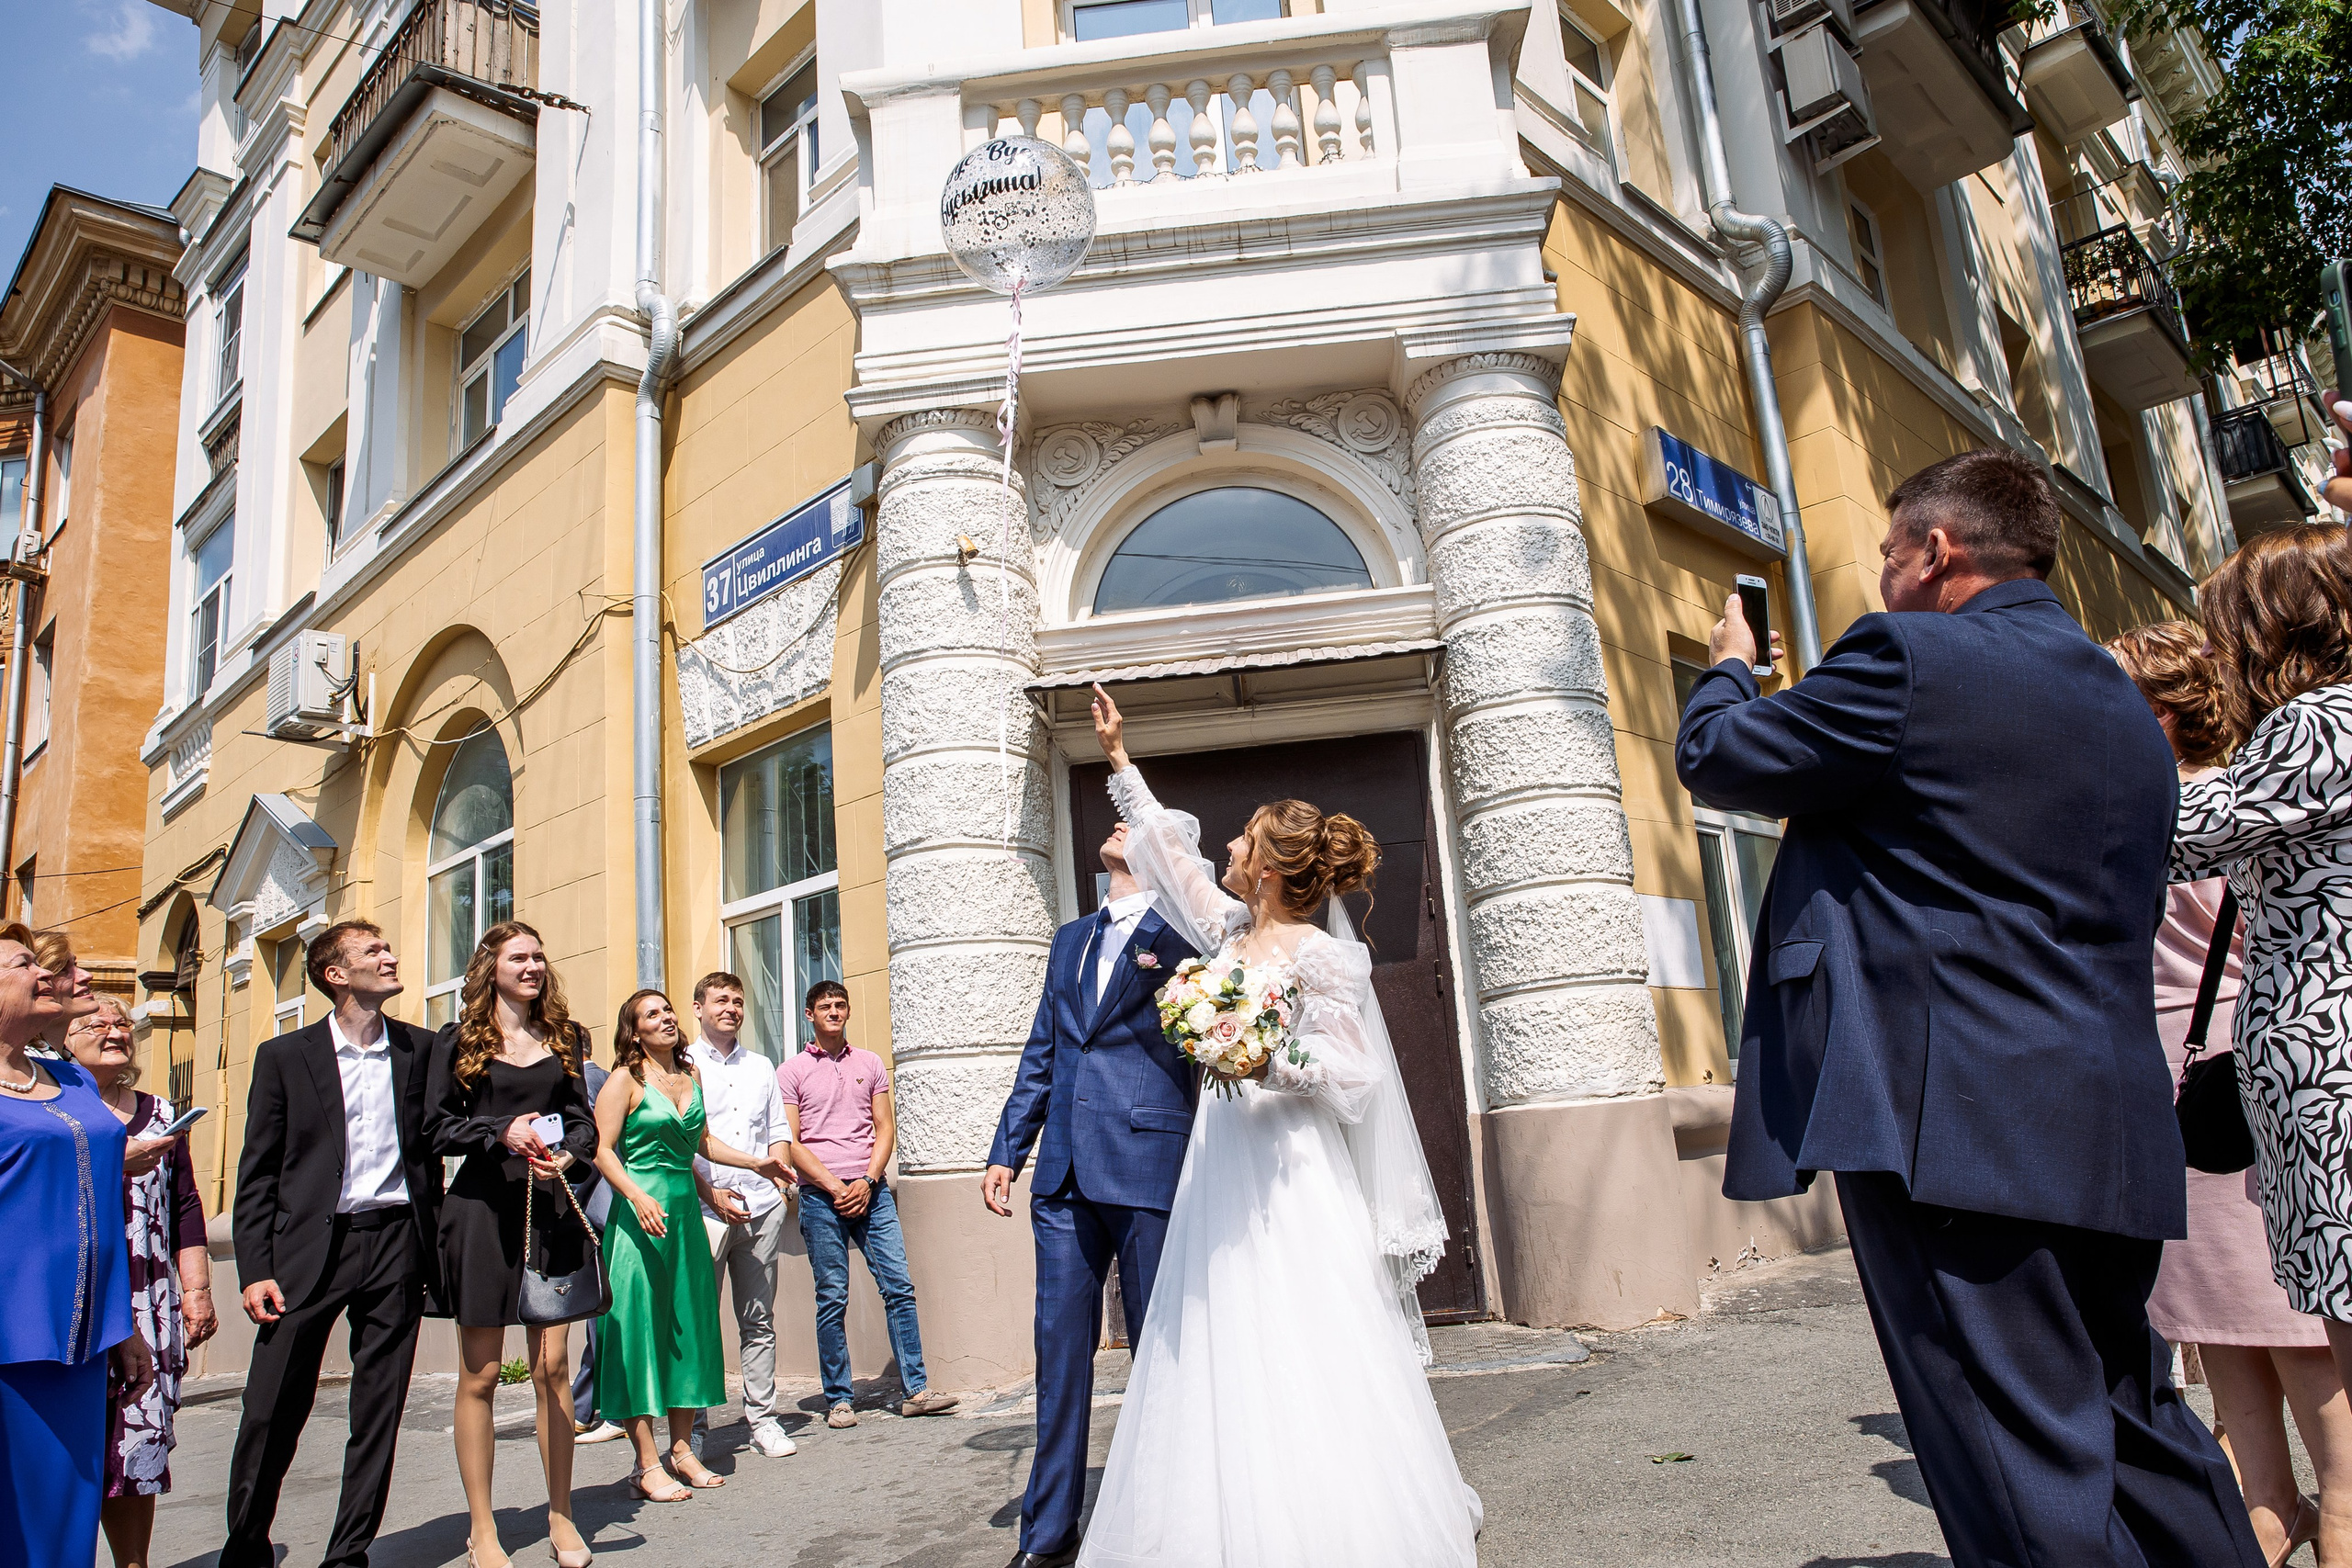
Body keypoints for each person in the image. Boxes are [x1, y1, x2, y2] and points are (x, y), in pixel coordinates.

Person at [1677, 447, 2262, 1568]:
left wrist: (1730, 667)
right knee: (2133, 1419)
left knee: (2009, 1452)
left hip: (1952, 1124)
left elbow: (1718, 757)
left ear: (1935, 552)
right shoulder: (2121, 701)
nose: (1882, 576)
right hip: (2106, 1114)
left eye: (1888, 553)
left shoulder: (1906, 655)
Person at [1076, 686, 1481, 1567]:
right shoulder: (1226, 932)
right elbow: (1170, 857)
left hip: (1291, 1167)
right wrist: (1118, 756)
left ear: (1265, 866)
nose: (1224, 846)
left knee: (1303, 1325)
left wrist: (1267, 1061)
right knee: (1219, 1324)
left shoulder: (1324, 956)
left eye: (1240, 838)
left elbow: (1355, 1074)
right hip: (1220, 1160)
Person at [2112, 620, 2352, 1566]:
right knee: (2211, 1313)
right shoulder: (2155, 803)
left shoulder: (2234, 801)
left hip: (2236, 1074)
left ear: (2161, 713)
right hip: (2168, 1073)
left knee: (2284, 1315)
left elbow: (2278, 940)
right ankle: (2267, 1504)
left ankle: (2341, 1508)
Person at [2172, 523, 2352, 1506]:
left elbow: (2173, 838)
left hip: (2329, 1068)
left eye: (2222, 626)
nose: (2212, 649)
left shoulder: (2315, 723)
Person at [983, 818, 1200, 1568]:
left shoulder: (1185, 934)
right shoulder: (1070, 938)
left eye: (1137, 822)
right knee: (1059, 1354)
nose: (1118, 822)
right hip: (1062, 1174)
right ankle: (1048, 1534)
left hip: (1146, 1161)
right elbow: (1043, 1048)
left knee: (1160, 1349)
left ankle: (1168, 1524)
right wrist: (1008, 1148)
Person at [223, 919, 447, 1568]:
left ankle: (348, 1553)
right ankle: (246, 1545)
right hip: (306, 1253)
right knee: (270, 1406)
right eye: (374, 950)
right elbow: (258, 1172)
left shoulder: (421, 1048)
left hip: (397, 1243)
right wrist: (254, 1268)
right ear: (336, 974)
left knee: (378, 1410)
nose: (390, 955)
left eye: (388, 945)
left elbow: (442, 1135)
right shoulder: (284, 1057)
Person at [424, 920, 600, 1568]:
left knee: (552, 1369)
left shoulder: (564, 1037)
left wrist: (568, 1154)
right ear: (489, 968)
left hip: (548, 1211)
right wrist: (501, 1131)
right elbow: (436, 1128)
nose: (532, 966)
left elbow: (582, 1121)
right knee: (482, 1373)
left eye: (538, 956)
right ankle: (482, 1527)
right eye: (518, 957)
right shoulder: (458, 1041)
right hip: (480, 1214)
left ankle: (561, 1515)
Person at [592, 988, 791, 1499]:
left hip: (685, 1218)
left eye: (667, 1010)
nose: (666, 1018)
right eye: (651, 1014)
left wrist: (752, 1164)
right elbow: (603, 1152)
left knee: (688, 1332)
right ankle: (645, 1464)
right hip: (641, 1220)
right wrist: (636, 1196)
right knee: (640, 1334)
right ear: (634, 1030)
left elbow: (697, 1145)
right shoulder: (623, 1080)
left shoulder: (689, 1075)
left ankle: (681, 1452)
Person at [0, 920, 152, 1566]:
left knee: (68, 1521)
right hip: (11, 1338)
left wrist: (123, 1325)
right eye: (22, 964)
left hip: (83, 1339)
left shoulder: (73, 1079)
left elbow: (99, 1200)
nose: (45, 972)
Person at [64, 995, 217, 1568]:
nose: (114, 1031)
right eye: (95, 1022)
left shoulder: (159, 1112)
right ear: (61, 1037)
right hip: (75, 1298)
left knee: (137, 1443)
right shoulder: (53, 1108)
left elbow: (186, 1205)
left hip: (146, 1297)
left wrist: (196, 1290)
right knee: (69, 1443)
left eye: (122, 1023)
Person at [777, 981, 959, 1427]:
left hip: (871, 1193)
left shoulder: (870, 1063)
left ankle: (916, 1391)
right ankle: (840, 1400)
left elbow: (884, 1127)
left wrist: (868, 1180)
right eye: (825, 1006)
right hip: (820, 1197)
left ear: (848, 1011)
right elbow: (790, 1140)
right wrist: (834, 1187)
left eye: (840, 1005)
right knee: (832, 1296)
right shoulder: (791, 1071)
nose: (834, 1012)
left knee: (899, 1287)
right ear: (809, 1014)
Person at [684, 971, 797, 1459]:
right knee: (698, 1321)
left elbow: (777, 1129)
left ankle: (763, 1420)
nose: (731, 1008)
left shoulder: (760, 1065)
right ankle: (694, 1428)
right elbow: (684, 1142)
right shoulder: (682, 1064)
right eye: (720, 1000)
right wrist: (711, 1194)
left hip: (761, 1207)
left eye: (737, 1000)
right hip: (705, 1209)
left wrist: (781, 1184)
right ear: (698, 1008)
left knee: (758, 1319)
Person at [569, 1044, 623, 1446]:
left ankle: (591, 1407)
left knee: (602, 1313)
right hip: (611, 1207)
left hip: (600, 1210)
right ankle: (586, 1405)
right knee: (602, 1312)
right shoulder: (605, 1077)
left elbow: (590, 1151)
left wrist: (570, 1200)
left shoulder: (587, 1081)